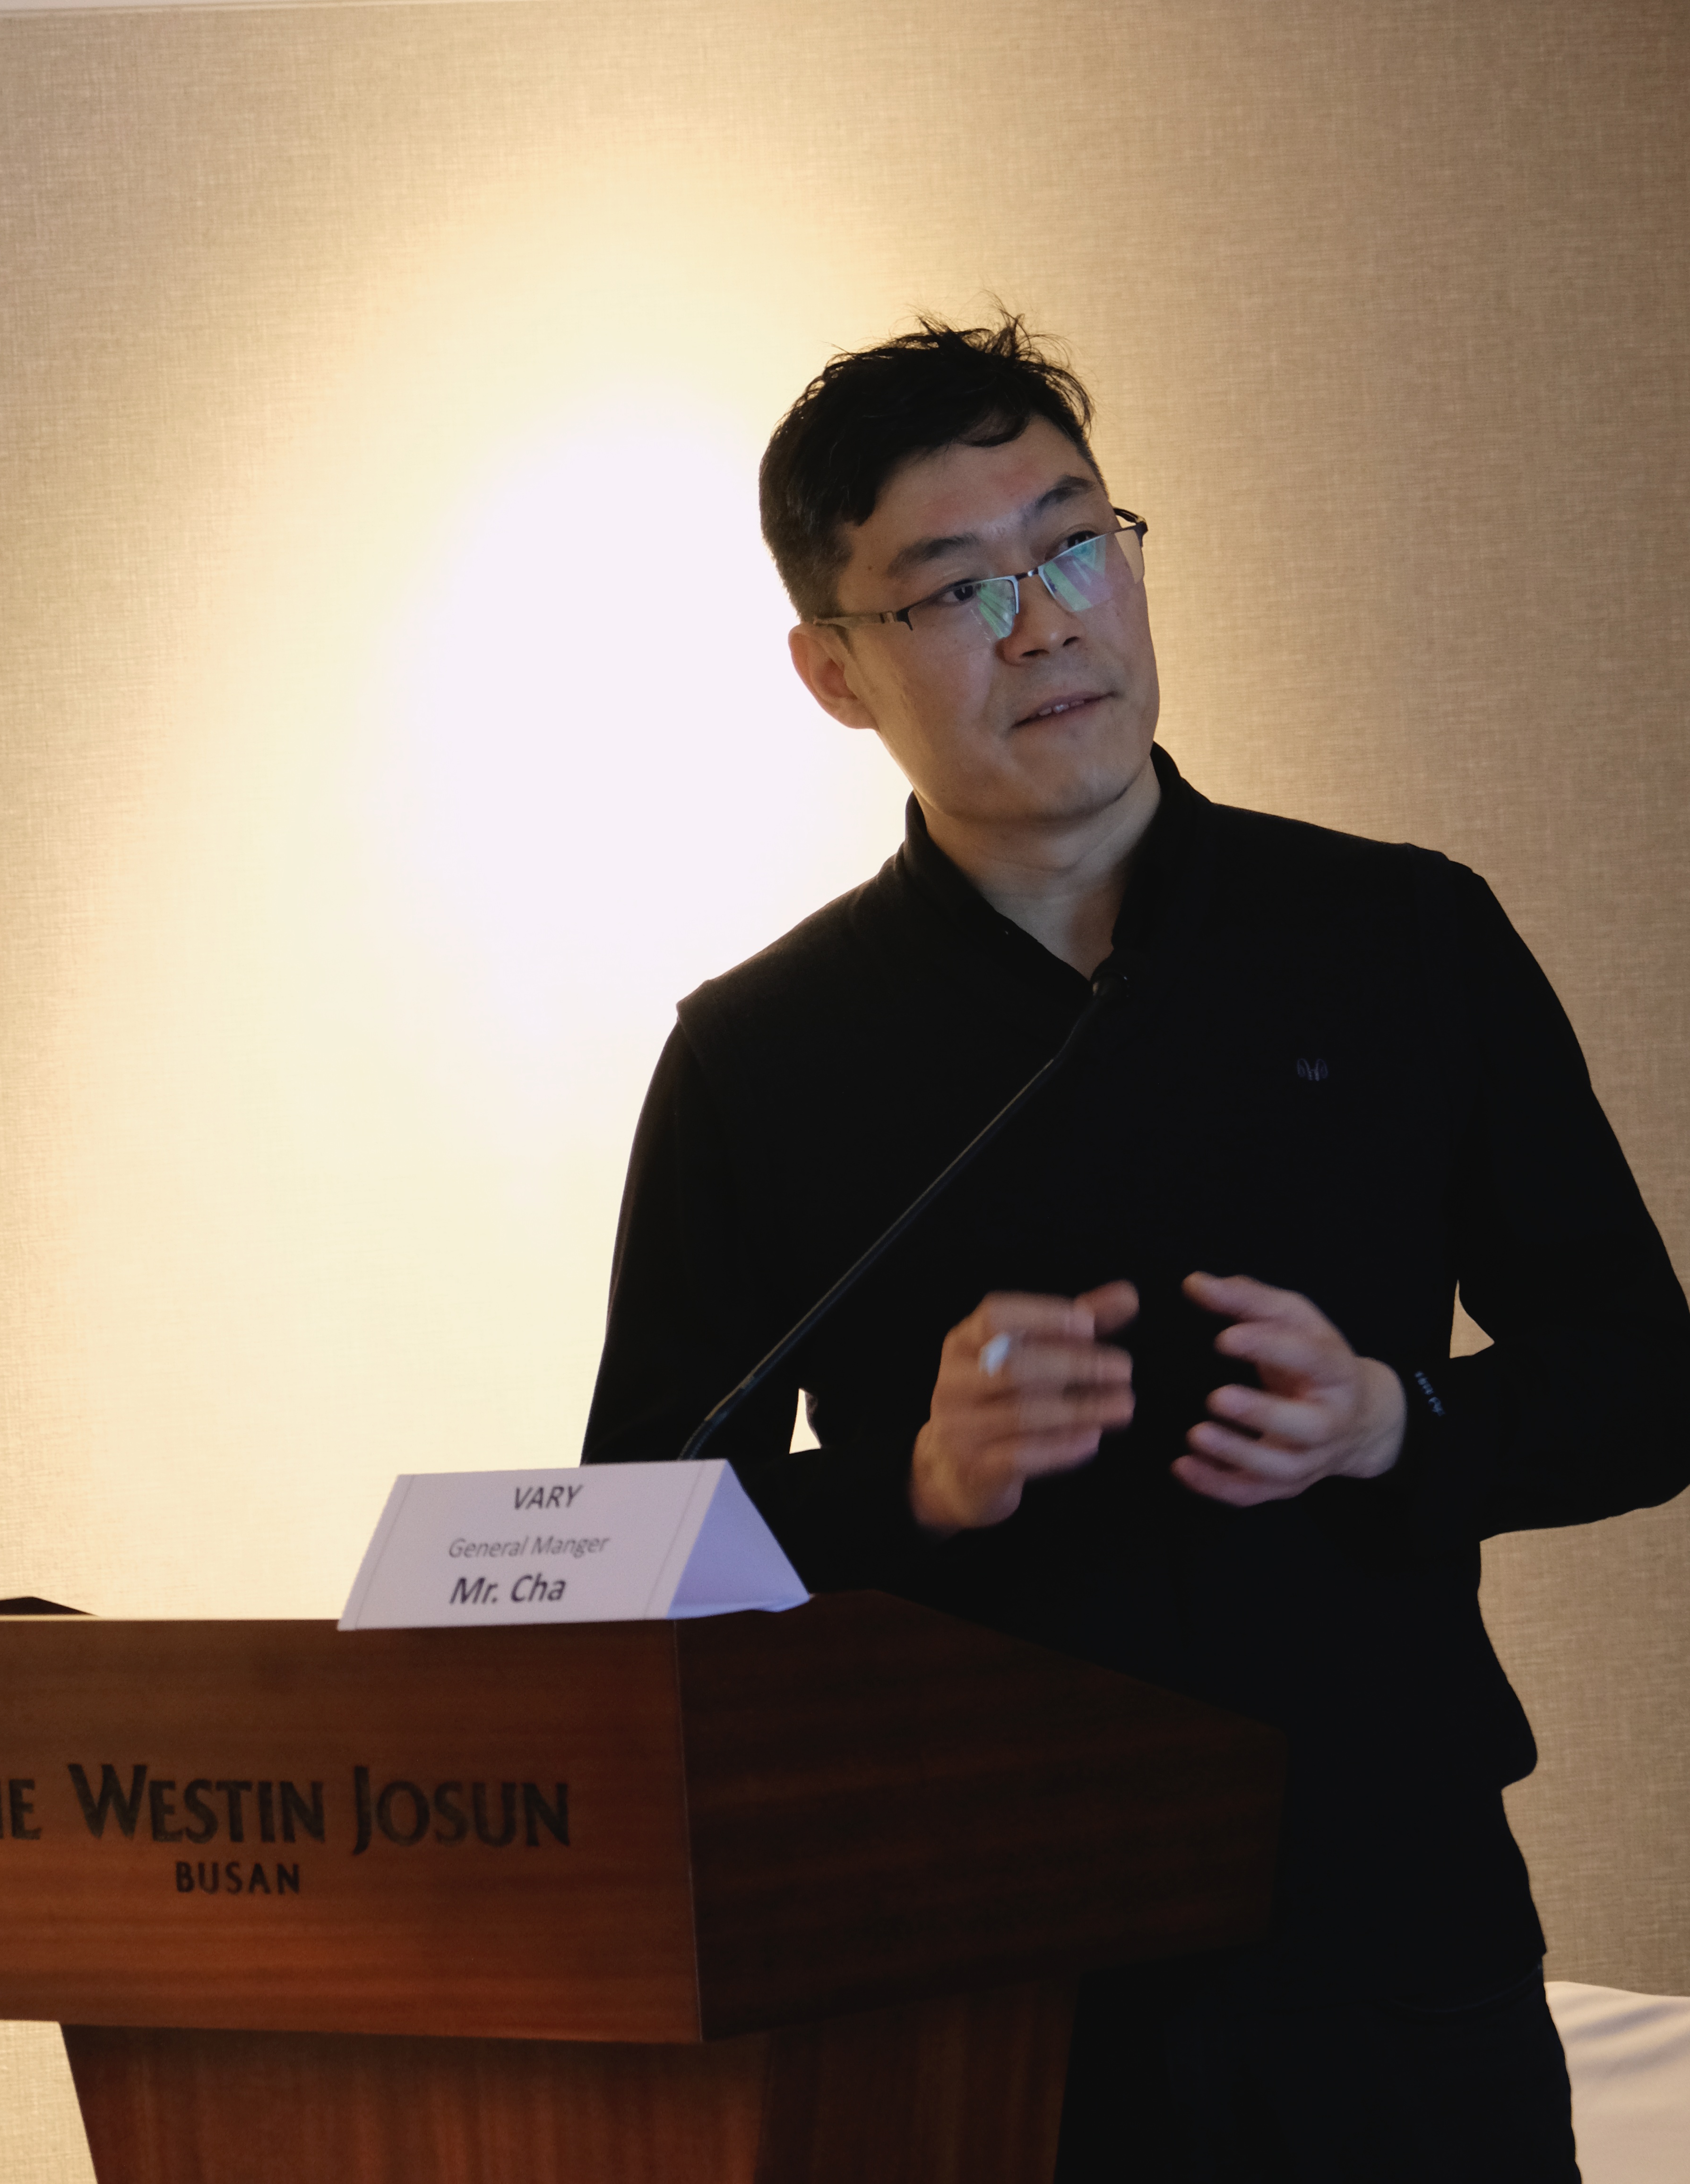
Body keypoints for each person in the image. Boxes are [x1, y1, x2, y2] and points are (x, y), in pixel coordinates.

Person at [580, 314, 1690, 2180]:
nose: (1044, 625)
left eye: (1076, 545)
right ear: (834, 672)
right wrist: (908, 1489)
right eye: (956, 589)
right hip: (969, 1964)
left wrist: (1396, 1421)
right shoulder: (759, 1055)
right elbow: (629, 1537)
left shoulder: (1402, 938)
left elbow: (1644, 1387)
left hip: (1385, 1920)